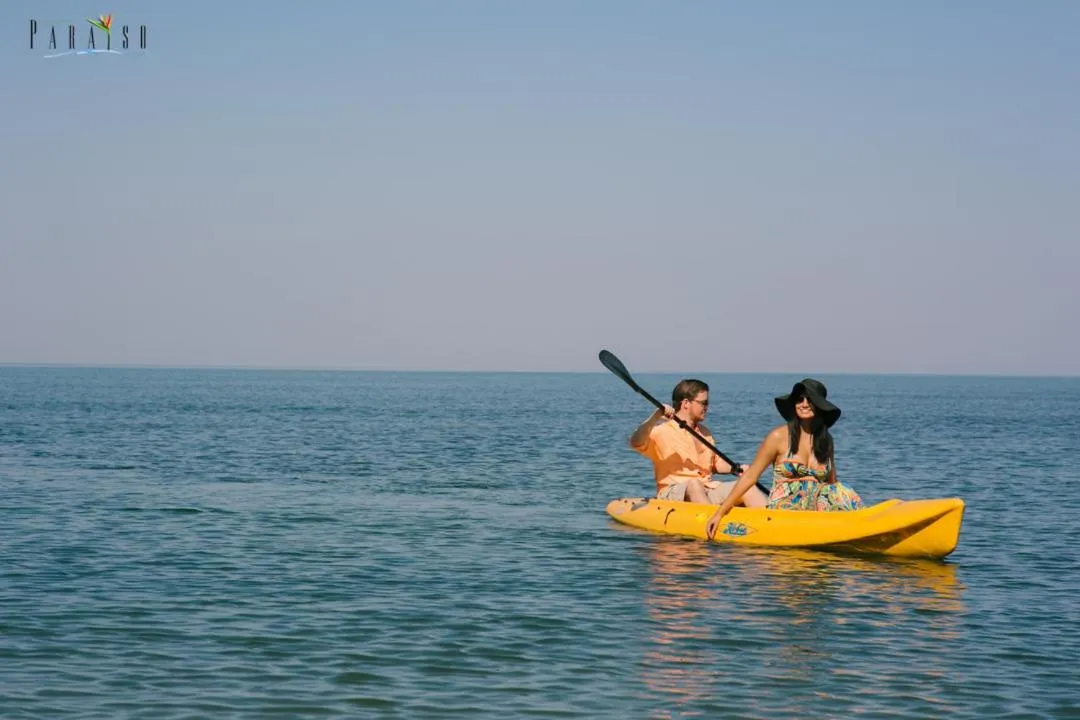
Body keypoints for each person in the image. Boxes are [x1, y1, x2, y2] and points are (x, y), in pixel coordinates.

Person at [706, 378, 863, 539]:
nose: (804, 404)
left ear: (820, 405)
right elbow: (751, 476)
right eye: (799, 399)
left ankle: (861, 530)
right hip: (784, 510)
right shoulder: (778, 437)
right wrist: (720, 512)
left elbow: (832, 483)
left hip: (816, 510)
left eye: (810, 400)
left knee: (842, 491)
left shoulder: (826, 440)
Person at [630, 379, 768, 506]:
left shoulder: (705, 432)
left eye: (707, 403)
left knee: (746, 486)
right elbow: (636, 442)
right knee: (694, 485)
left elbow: (714, 464)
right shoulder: (663, 431)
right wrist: (655, 416)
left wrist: (736, 468)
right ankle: (711, 524)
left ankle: (773, 522)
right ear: (685, 403)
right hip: (672, 492)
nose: (707, 407)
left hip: (707, 488)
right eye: (703, 403)